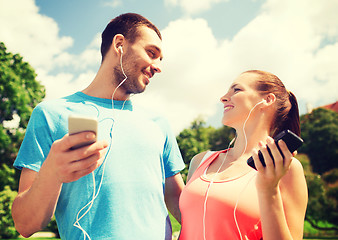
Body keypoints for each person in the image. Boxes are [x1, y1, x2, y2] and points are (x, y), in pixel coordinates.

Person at [12, 13, 185, 240]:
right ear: (119, 44)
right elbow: (25, 225)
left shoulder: (158, 123)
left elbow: (180, 202)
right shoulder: (50, 115)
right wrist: (53, 172)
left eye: (161, 59)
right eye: (152, 53)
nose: (158, 67)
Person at [179, 70, 308, 240]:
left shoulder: (285, 167)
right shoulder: (200, 161)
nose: (223, 97)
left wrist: (269, 190)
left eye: (236, 90)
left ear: (267, 100)